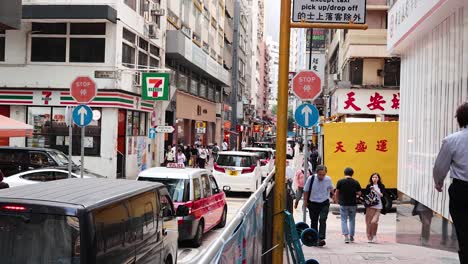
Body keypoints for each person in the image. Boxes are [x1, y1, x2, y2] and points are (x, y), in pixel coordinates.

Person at [433, 102, 468, 263]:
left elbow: (440, 167)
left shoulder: (451, 140)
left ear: (459, 119)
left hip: (462, 190)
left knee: (463, 230)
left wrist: (438, 183)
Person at [303, 165, 334, 247]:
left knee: (323, 219)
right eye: (320, 174)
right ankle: (314, 237)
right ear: (317, 173)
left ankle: (321, 238)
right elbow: (306, 191)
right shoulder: (311, 178)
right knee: (314, 220)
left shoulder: (328, 179)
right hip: (313, 202)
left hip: (324, 202)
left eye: (323, 175)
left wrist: (335, 197)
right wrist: (305, 201)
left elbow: (332, 189)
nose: (322, 177)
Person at [334, 167, 362, 243]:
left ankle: (346, 237)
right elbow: (359, 193)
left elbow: (337, 192)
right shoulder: (356, 182)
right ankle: (351, 236)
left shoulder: (340, 181)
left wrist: (337, 200)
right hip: (353, 204)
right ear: (352, 174)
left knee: (343, 220)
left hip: (343, 204)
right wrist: (355, 194)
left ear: (344, 173)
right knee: (352, 220)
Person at [364, 172, 386, 243]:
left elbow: (382, 195)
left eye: (376, 177)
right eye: (373, 177)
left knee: (374, 222)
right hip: (370, 206)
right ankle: (369, 236)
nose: (374, 179)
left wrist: (375, 190)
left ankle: (374, 235)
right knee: (369, 223)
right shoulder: (368, 186)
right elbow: (366, 196)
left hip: (378, 206)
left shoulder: (381, 186)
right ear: (371, 178)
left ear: (378, 178)